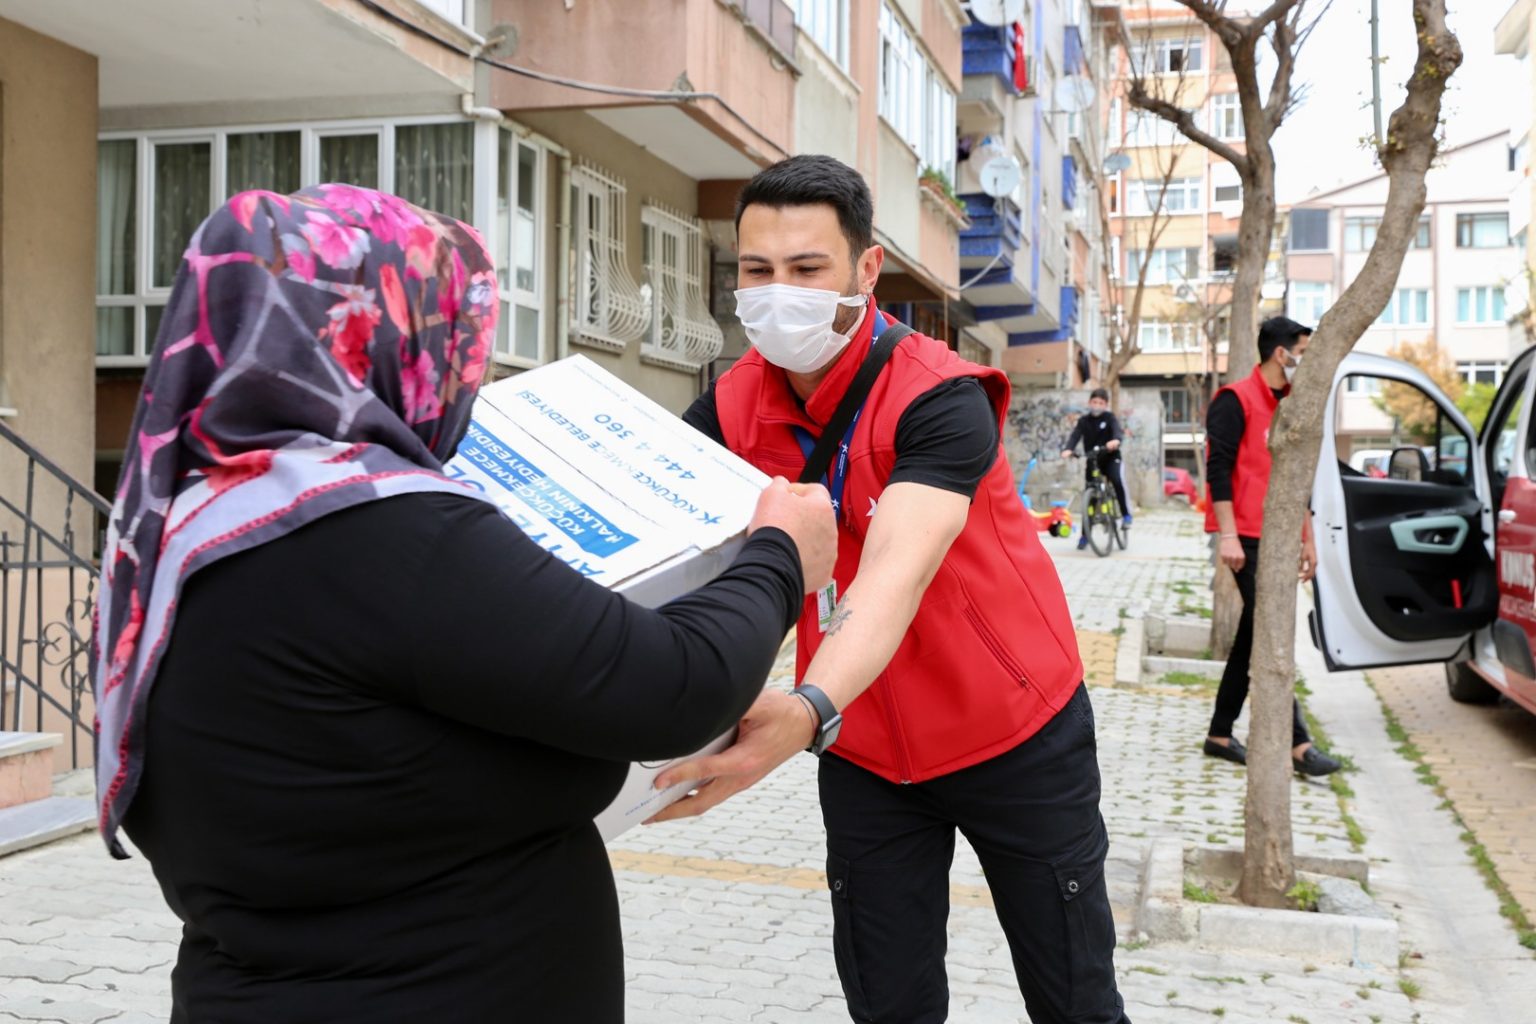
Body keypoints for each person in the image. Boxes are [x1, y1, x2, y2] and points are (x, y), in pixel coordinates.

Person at [92, 184, 837, 1023]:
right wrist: (779, 556)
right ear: (377, 331)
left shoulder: (183, 522)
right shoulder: (381, 531)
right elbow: (673, 689)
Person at [661, 155, 1130, 1024]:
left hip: (1013, 729)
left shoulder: (939, 394)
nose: (778, 292)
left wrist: (800, 711)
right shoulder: (728, 410)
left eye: (807, 269)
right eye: (758, 271)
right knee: (888, 1002)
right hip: (864, 745)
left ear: (866, 269)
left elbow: (896, 571)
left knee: (1075, 1000)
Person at [1202, 315, 1341, 777]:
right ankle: (1298, 743)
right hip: (1243, 537)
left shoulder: (1293, 407)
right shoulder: (1234, 400)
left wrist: (1308, 538)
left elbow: (1294, 477)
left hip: (1278, 535)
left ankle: (1220, 734)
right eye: (1303, 350)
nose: (1308, 360)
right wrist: (1227, 535)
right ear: (1281, 353)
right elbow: (1217, 470)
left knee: (1253, 634)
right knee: (1268, 632)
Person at [1061, 386, 1132, 550]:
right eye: (1094, 402)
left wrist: (1115, 441)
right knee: (1090, 499)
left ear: (1105, 404)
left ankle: (1126, 515)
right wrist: (1068, 449)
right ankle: (1085, 537)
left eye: (1100, 402)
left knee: (1116, 480)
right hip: (1093, 461)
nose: (1097, 405)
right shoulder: (1084, 421)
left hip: (1111, 458)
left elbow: (1117, 432)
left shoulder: (1109, 418)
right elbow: (1075, 436)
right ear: (1089, 402)